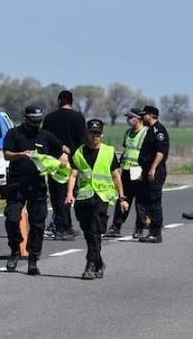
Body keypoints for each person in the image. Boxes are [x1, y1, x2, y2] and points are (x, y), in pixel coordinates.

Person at [3, 106, 69, 275]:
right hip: (16, 184)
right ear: (26, 119)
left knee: (38, 223)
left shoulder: (44, 135)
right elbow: (7, 154)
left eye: (38, 122)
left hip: (37, 186)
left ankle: (33, 257)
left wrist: (64, 155)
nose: (35, 125)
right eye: (33, 122)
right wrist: (22, 155)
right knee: (11, 218)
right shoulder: (14, 134)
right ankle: (15, 249)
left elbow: (65, 148)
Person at [65, 119, 128, 279]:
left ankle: (90, 265)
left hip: (102, 196)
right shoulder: (79, 152)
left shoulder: (108, 152)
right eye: (92, 133)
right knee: (88, 232)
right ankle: (99, 262)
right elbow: (73, 175)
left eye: (98, 134)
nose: (95, 137)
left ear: (102, 135)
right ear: (87, 133)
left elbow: (116, 176)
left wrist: (122, 197)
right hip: (84, 197)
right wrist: (69, 194)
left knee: (94, 230)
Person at [42, 90, 87, 241]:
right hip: (73, 161)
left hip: (55, 162)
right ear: (71, 101)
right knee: (69, 194)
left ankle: (63, 226)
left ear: (60, 100)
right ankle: (64, 226)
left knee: (57, 196)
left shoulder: (50, 119)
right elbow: (82, 141)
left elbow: (45, 140)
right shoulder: (78, 118)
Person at [104, 108, 148, 238]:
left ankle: (139, 228)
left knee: (140, 201)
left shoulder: (145, 133)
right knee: (123, 198)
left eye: (130, 117)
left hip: (138, 170)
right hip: (126, 170)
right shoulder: (128, 132)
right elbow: (126, 150)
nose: (128, 120)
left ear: (138, 119)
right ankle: (116, 226)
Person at [136, 105, 170, 243]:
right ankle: (151, 229)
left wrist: (152, 168)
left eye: (144, 115)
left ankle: (155, 233)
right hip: (147, 170)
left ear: (151, 115)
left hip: (155, 170)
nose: (142, 117)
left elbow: (160, 152)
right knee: (148, 199)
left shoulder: (159, 130)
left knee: (154, 200)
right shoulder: (151, 130)